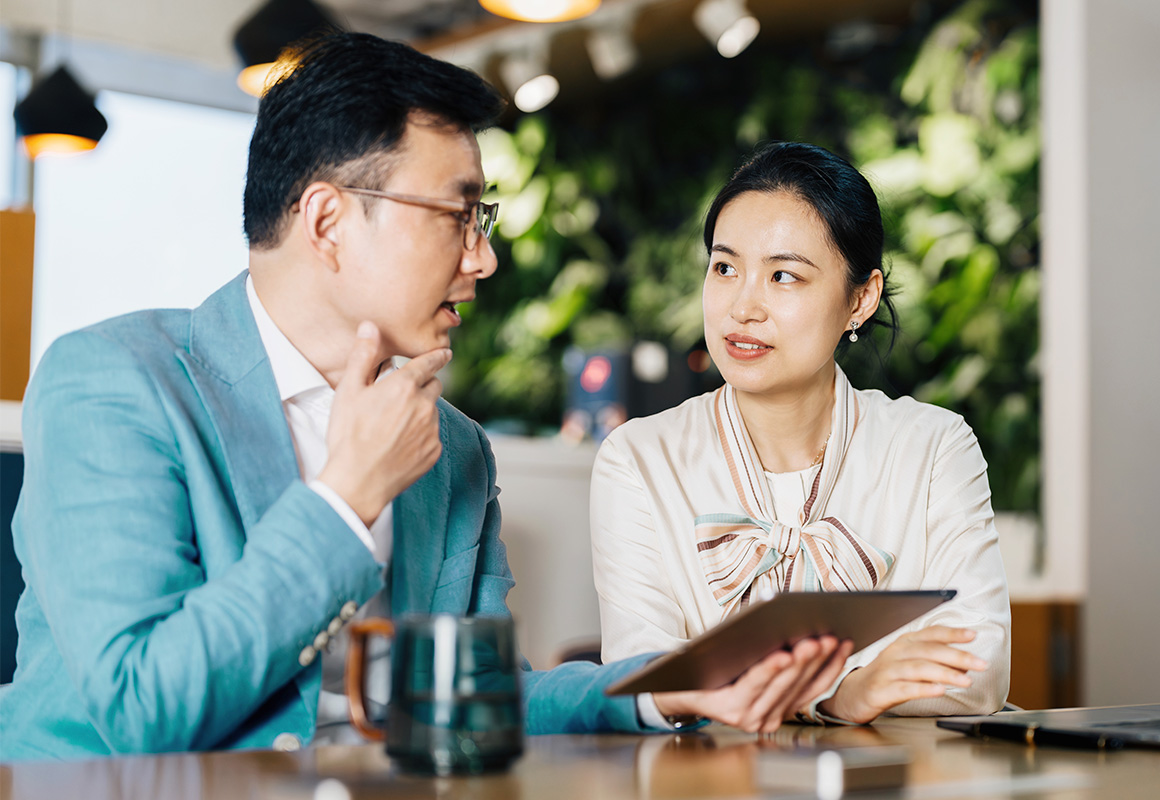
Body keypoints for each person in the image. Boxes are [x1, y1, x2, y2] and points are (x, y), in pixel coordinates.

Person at [0, 36, 847, 762]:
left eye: (484, 217)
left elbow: (478, 694)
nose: (483, 260)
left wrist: (670, 688)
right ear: (328, 223)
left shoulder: (454, 446)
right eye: (459, 214)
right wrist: (344, 501)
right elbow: (142, 708)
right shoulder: (112, 384)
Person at [590, 141, 1010, 725]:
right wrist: (845, 694)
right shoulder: (638, 459)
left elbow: (977, 673)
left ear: (860, 299)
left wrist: (752, 686)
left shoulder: (933, 447)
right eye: (725, 267)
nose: (742, 306)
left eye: (783, 275)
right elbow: (647, 682)